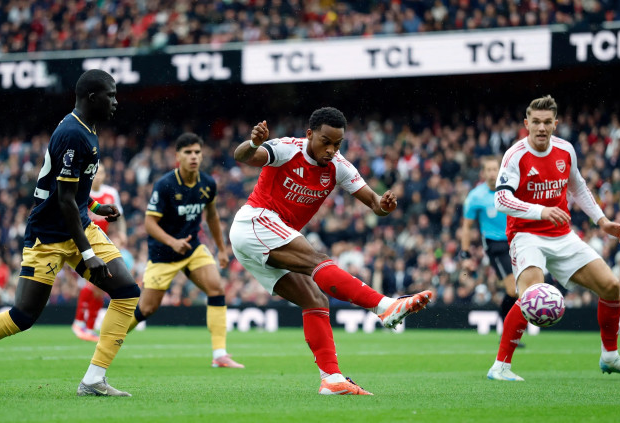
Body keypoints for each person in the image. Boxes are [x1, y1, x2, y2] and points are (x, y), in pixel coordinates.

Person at [0, 69, 141, 397]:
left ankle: (94, 379)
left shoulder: (88, 129)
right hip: (48, 236)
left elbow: (70, 189)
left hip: (79, 224)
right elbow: (64, 201)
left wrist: (95, 207)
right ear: (92, 97)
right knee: (22, 316)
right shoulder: (73, 133)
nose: (115, 102)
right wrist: (88, 254)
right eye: (110, 95)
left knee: (126, 291)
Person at [230, 107, 433, 395]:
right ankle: (384, 307)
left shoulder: (339, 166)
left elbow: (374, 203)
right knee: (318, 260)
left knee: (314, 299)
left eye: (337, 144)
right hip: (255, 221)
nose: (331, 150)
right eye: (325, 142)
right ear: (310, 134)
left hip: (267, 236)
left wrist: (384, 206)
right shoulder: (287, 149)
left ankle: (332, 379)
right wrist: (253, 142)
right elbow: (243, 157)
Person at [486, 95, 620, 381]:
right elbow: (501, 200)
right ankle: (500, 367)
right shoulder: (515, 155)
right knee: (531, 294)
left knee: (611, 286)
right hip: (526, 234)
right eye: (536, 122)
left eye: (547, 122)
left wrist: (602, 221)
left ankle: (610, 356)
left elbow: (578, 188)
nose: (541, 127)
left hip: (561, 235)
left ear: (555, 124)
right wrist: (541, 211)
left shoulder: (565, 150)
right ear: (526, 123)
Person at [127, 133, 244, 369]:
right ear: (177, 156)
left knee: (216, 288)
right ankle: (110, 336)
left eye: (197, 152)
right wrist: (172, 242)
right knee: (147, 308)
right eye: (188, 152)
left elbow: (212, 216)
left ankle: (220, 354)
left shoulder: (207, 183)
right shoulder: (165, 184)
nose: (193, 157)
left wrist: (222, 250)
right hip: (163, 253)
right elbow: (149, 223)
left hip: (192, 249)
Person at [460, 156, 522, 347]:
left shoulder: (511, 189)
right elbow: (467, 227)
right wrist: (465, 254)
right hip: (495, 245)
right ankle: (507, 333)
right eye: (488, 170)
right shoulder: (476, 196)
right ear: (483, 172)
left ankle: (508, 332)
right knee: (513, 289)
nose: (492, 173)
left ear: (501, 170)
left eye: (495, 169)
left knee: (520, 290)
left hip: (516, 242)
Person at [72, 165, 125, 342]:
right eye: (96, 173)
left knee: (100, 286)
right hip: (84, 243)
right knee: (96, 283)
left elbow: (119, 217)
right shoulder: (83, 192)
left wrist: (122, 233)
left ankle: (87, 326)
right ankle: (80, 322)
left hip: (102, 243)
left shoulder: (111, 193)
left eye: (101, 173)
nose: (98, 176)